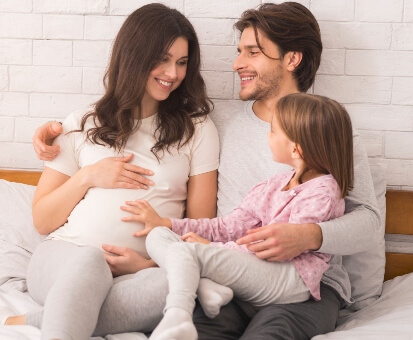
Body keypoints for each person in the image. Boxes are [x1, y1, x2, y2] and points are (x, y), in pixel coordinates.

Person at [30, 2, 381, 339]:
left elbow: (368, 222)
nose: (236, 64)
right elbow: (130, 121)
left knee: (270, 333)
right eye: (239, 51)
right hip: (228, 278)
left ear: (292, 59)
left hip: (304, 285)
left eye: (252, 52)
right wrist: (53, 136)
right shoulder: (218, 122)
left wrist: (309, 236)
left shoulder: (330, 130)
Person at [5, 3, 220, 339]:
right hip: (65, 257)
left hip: (141, 273)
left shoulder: (197, 129)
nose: (173, 73)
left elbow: (200, 229)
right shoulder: (83, 122)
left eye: (181, 62)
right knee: (90, 263)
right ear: (134, 57)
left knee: (181, 286)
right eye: (162, 59)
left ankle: (40, 322)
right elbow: (43, 219)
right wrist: (89, 176)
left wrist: (150, 264)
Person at [121, 93, 354, 340]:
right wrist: (168, 224)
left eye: (273, 131)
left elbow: (277, 249)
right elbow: (230, 226)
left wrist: (214, 250)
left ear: (295, 148)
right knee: (158, 236)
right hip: (257, 270)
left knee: (186, 252)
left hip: (289, 278)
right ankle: (204, 285)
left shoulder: (322, 193)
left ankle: (177, 314)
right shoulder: (274, 185)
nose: (268, 136)